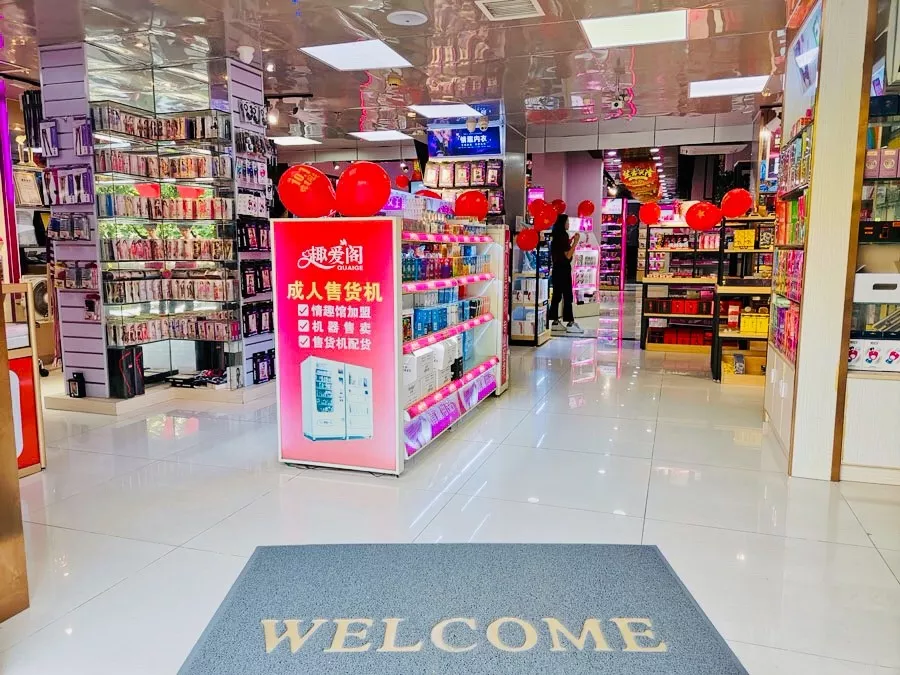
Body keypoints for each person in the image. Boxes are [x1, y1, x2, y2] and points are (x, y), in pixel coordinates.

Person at [548, 214, 584, 334]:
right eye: (567, 222)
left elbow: (560, 251)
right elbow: (567, 255)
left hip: (556, 269)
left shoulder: (556, 236)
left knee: (556, 295)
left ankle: (554, 321)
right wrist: (575, 243)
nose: (568, 224)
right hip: (563, 269)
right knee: (567, 296)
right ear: (563, 223)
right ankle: (570, 322)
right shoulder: (563, 236)